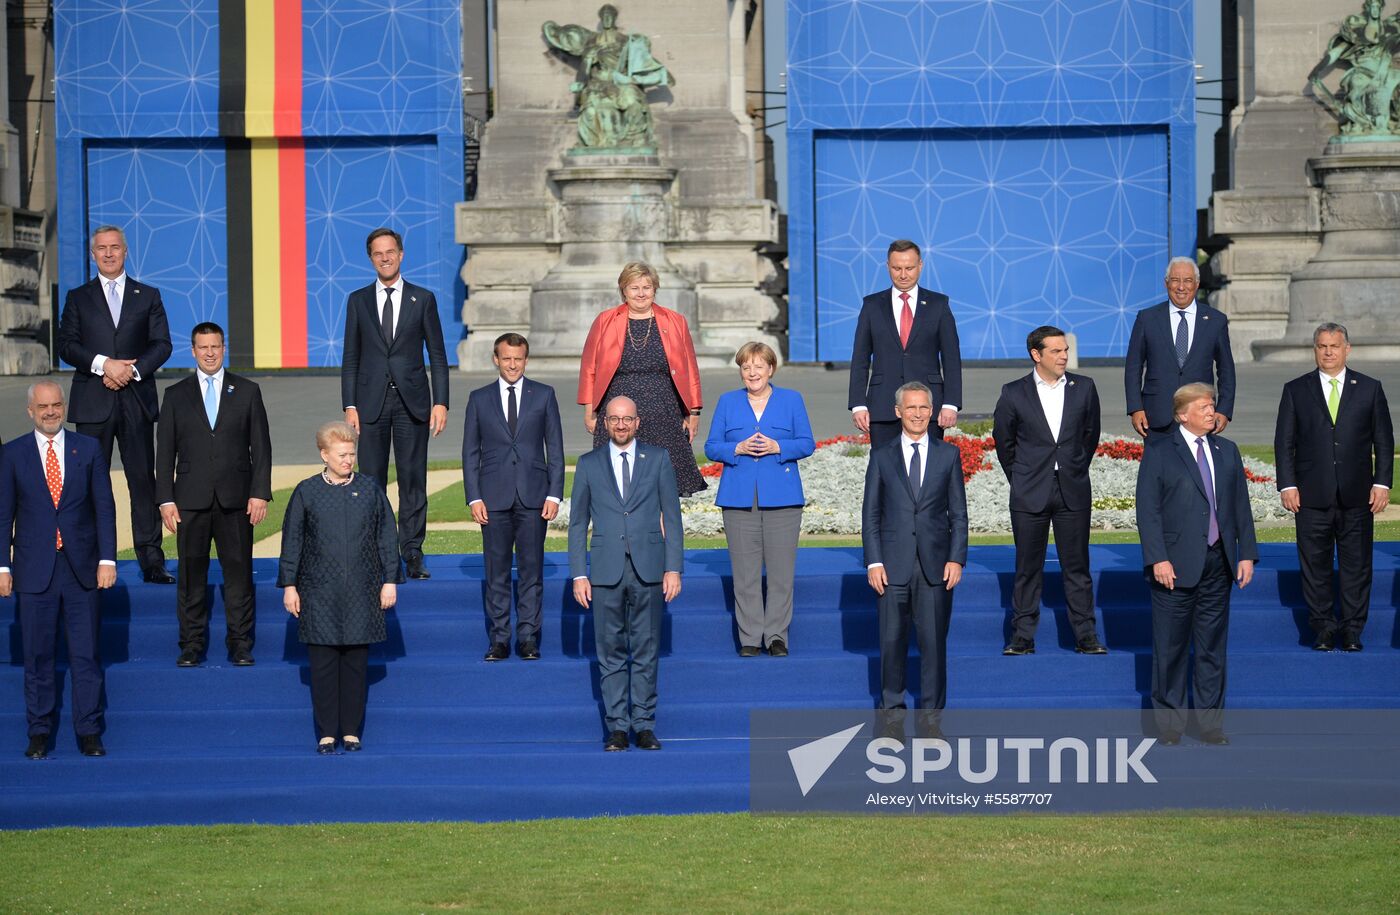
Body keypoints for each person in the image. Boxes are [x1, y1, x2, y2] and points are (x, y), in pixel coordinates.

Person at [0, 381, 118, 759]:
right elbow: (4, 516)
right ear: (30, 411)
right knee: (37, 656)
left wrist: (107, 559)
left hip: (82, 568)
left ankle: (88, 731)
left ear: (64, 407)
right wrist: (3, 565)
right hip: (34, 571)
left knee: (86, 655)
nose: (51, 412)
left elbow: (104, 507)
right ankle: (39, 731)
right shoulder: (12, 454)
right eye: (43, 406)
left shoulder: (88, 447)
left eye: (56, 405)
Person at [1136, 383, 1257, 746]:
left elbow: (1240, 507)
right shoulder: (1159, 451)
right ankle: (1170, 726)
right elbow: (1148, 510)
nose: (1211, 411)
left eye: (1212, 405)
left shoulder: (1227, 451)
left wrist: (1246, 553)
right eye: (1204, 406)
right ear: (1182, 414)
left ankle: (1209, 724)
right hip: (1173, 565)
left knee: (1211, 649)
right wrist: (1158, 557)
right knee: (1171, 649)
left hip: (1218, 563)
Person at [56, 225, 174, 584]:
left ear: (126, 251)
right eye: (101, 249)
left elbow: (162, 344)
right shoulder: (78, 297)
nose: (108, 254)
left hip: (136, 401)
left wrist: (131, 371)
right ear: (93, 254)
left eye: (115, 248)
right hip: (93, 401)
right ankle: (87, 558)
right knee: (88, 482)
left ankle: (151, 560)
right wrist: (103, 365)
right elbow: (66, 345)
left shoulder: (148, 295)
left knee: (142, 481)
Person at [569, 395, 684, 752]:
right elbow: (577, 525)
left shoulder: (659, 459)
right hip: (604, 572)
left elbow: (673, 518)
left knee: (647, 651)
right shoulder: (588, 464)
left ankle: (644, 725)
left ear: (638, 423)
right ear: (605, 423)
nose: (621, 425)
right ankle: (618, 727)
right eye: (614, 419)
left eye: (627, 419)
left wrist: (673, 568)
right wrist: (578, 574)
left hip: (649, 568)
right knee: (611, 652)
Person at [278, 421, 400, 755]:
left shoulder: (370, 489)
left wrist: (390, 579)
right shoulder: (307, 491)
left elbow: (387, 536)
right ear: (324, 454)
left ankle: (351, 731)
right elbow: (293, 541)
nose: (349, 460)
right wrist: (290, 585)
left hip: (362, 591)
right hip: (319, 593)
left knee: (355, 666)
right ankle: (327, 733)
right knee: (323, 666)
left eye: (352, 453)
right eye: (342, 454)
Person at [156, 322, 272, 668]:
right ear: (192, 351)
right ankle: (191, 644)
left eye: (215, 346)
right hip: (189, 501)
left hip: (236, 500)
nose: (209, 353)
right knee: (192, 576)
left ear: (224, 349)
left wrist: (260, 493)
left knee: (238, 575)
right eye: (203, 347)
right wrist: (165, 498)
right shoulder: (175, 395)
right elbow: (164, 453)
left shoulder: (248, 391)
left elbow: (261, 448)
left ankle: (240, 643)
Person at [1274, 322, 1393, 651]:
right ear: (1315, 350)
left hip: (1358, 494)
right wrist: (1287, 485)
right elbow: (1284, 443)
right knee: (1315, 565)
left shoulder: (1369, 388)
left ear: (1347, 349)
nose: (1328, 352)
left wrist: (1382, 483)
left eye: (1334, 346)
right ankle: (1324, 627)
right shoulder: (1296, 389)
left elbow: (1383, 441)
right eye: (1322, 346)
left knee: (1357, 565)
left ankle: (1353, 629)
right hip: (1311, 495)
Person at [340, 227, 450, 580]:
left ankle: (412, 552)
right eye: (377, 253)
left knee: (412, 480)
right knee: (371, 481)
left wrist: (441, 402)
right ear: (370, 258)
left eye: (390, 251)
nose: (385, 258)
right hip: (370, 404)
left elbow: (437, 354)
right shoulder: (358, 300)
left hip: (413, 403)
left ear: (401, 255)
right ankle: (375, 551)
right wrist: (350, 405)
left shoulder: (423, 299)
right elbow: (350, 357)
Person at [862, 382, 968, 741]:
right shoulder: (881, 456)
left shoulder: (948, 455)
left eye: (925, 407)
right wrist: (874, 562)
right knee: (891, 645)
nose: (919, 414)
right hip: (891, 568)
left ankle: (930, 722)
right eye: (912, 408)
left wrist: (957, 558)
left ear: (933, 411)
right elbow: (871, 515)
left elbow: (959, 515)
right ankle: (892, 721)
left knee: (934, 648)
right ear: (898, 412)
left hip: (937, 569)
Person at [993, 326, 1107, 656]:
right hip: (1030, 491)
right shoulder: (1013, 392)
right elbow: (1005, 442)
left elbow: (1090, 435)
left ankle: (1086, 635)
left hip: (1072, 489)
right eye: (1056, 351)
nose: (1063, 356)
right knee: (1028, 568)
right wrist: (1023, 477)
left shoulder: (1084, 388)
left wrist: (1072, 468)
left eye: (1065, 350)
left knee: (1077, 566)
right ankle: (1022, 637)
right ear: (1036, 354)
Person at [703, 342, 815, 656]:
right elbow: (712, 447)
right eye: (746, 367)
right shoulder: (727, 402)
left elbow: (807, 443)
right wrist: (734, 449)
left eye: (758, 366)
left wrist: (779, 447)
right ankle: (750, 637)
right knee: (745, 573)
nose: (752, 372)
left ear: (771, 369)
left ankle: (776, 636)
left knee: (781, 573)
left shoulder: (792, 400)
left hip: (783, 497)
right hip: (738, 498)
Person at [462, 333, 565, 662]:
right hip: (493, 498)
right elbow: (470, 453)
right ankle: (500, 639)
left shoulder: (544, 395)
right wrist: (474, 497)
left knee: (532, 571)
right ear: (496, 359)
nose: (512, 365)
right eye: (506, 358)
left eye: (518, 359)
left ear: (526, 360)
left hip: (534, 496)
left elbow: (557, 451)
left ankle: (528, 637)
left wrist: (554, 494)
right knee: (497, 572)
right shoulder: (479, 398)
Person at [578, 262, 706, 496]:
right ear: (623, 290)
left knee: (664, 486)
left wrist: (693, 412)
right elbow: (589, 368)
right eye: (634, 287)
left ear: (655, 289)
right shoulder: (605, 320)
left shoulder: (675, 320)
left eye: (646, 287)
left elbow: (690, 369)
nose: (641, 293)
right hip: (617, 410)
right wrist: (590, 411)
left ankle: (662, 533)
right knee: (618, 483)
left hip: (664, 411)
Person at [847, 239, 963, 448]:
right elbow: (860, 359)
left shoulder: (939, 305)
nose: (903, 274)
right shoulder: (872, 305)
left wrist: (951, 403)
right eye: (896, 268)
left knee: (929, 474)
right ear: (887, 266)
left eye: (909, 268)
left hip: (929, 407)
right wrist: (858, 405)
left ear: (920, 266)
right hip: (883, 406)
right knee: (886, 473)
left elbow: (951, 359)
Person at [1124, 257, 1236, 437]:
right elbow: (1133, 367)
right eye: (1175, 280)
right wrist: (1135, 408)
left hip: (1199, 414)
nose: (1181, 287)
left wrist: (1224, 409)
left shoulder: (1216, 320)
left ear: (1197, 284)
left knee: (1196, 466)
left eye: (1188, 280)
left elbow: (1226, 370)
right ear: (1166, 283)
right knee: (1159, 466)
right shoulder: (1147, 318)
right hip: (1157, 416)